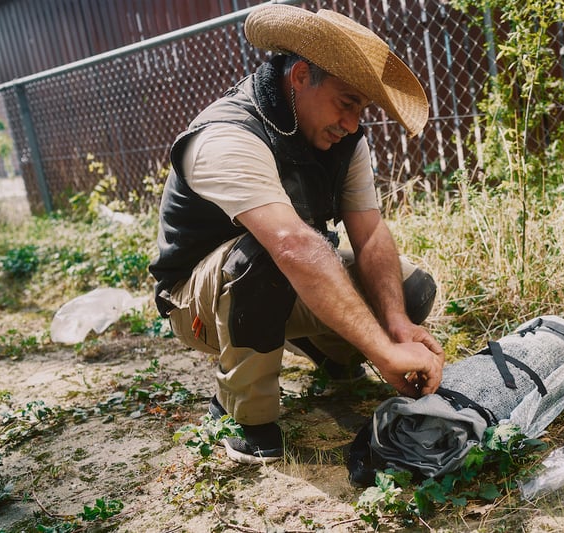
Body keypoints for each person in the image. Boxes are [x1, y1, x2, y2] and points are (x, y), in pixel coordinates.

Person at [149, 4, 445, 464]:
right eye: (347, 103)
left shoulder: (345, 139)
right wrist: (386, 354)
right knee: (266, 257)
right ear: (302, 76)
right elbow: (290, 243)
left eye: (361, 110)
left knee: (410, 288)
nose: (352, 122)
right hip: (198, 302)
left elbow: (369, 234)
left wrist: (397, 324)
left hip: (282, 273)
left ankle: (326, 349)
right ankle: (239, 412)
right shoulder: (227, 135)